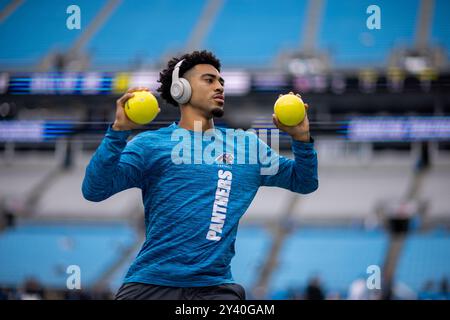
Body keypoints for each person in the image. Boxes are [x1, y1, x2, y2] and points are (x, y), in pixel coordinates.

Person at [82, 50, 318, 300]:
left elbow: (304, 181)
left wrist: (301, 139)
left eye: (221, 82)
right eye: (209, 80)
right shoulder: (150, 144)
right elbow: (94, 189)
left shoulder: (249, 146)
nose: (219, 87)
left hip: (215, 288)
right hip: (150, 286)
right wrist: (118, 132)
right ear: (180, 89)